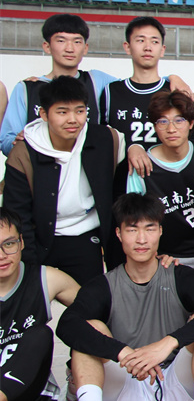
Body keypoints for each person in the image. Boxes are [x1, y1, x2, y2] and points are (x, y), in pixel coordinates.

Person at [53, 194, 194, 401]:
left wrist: (167, 343)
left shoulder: (180, 276)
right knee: (89, 328)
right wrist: (124, 353)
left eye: (149, 228)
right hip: (124, 394)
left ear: (160, 231)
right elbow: (66, 325)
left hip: (178, 390)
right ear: (118, 234)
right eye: (132, 229)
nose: (141, 239)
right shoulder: (104, 285)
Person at [2, 76, 125, 285]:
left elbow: (119, 195)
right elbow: (18, 215)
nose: (73, 119)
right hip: (39, 238)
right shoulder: (24, 152)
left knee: (88, 298)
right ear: (44, 114)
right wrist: (29, 266)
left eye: (80, 111)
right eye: (62, 112)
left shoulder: (107, 140)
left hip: (86, 236)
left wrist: (135, 148)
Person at [126, 91, 194, 276]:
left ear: (191, 123)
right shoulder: (142, 165)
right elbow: (135, 221)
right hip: (170, 256)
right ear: (154, 126)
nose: (171, 129)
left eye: (179, 120)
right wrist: (152, 256)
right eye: (163, 121)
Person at [0, 207, 80, 401]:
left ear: (21, 242)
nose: (2, 255)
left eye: (9, 244)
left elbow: (97, 313)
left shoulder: (47, 279)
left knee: (39, 335)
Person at [1, 14, 117, 155]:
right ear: (47, 46)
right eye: (61, 41)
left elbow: (134, 90)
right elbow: (6, 141)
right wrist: (18, 142)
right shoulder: (27, 88)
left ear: (85, 48)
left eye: (77, 42)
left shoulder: (98, 80)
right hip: (41, 166)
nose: (70, 48)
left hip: (89, 165)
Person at [100, 16, 191, 154]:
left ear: (162, 49)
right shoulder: (111, 91)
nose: (148, 48)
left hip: (165, 167)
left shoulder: (174, 91)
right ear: (127, 47)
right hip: (123, 168)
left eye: (154, 42)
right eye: (140, 40)